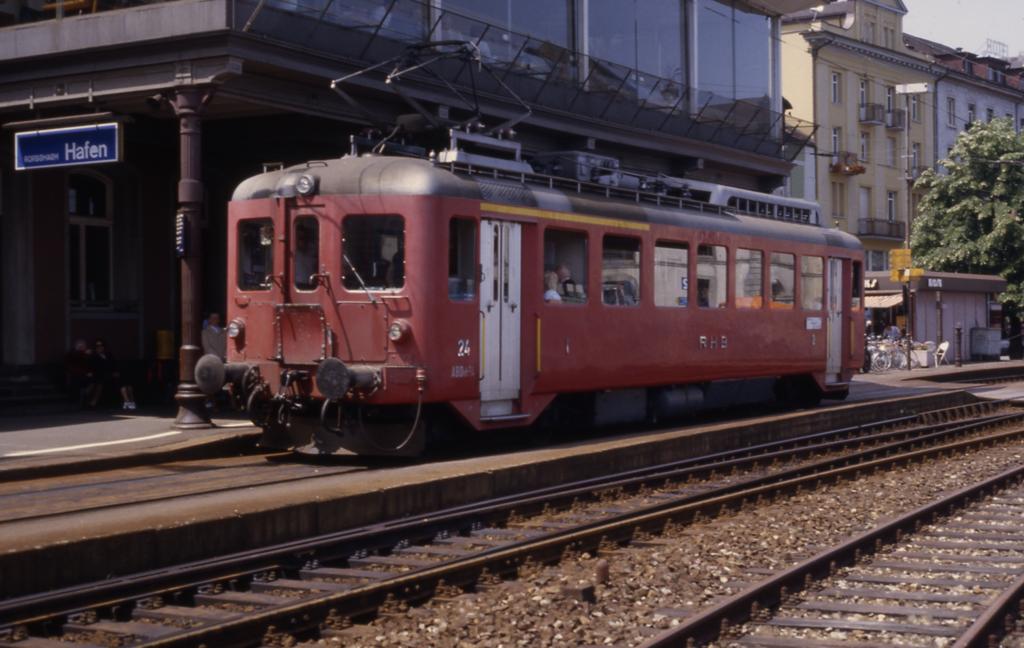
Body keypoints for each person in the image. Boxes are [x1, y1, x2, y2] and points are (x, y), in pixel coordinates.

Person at [88, 339, 136, 410]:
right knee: (102, 383)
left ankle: (130, 401)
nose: (100, 348)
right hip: (100, 375)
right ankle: (127, 401)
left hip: (110, 374)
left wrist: (115, 371)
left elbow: (114, 364)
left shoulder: (108, 355)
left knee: (126, 381)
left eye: (101, 346)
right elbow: (94, 368)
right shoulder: (93, 356)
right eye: (98, 346)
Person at [65, 339, 92, 407]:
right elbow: (74, 360)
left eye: (84, 346)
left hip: (83, 374)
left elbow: (88, 364)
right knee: (79, 384)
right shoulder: (73, 353)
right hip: (75, 374)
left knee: (91, 383)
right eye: (81, 346)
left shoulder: (85, 354)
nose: (83, 348)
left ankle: (85, 401)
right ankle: (79, 402)